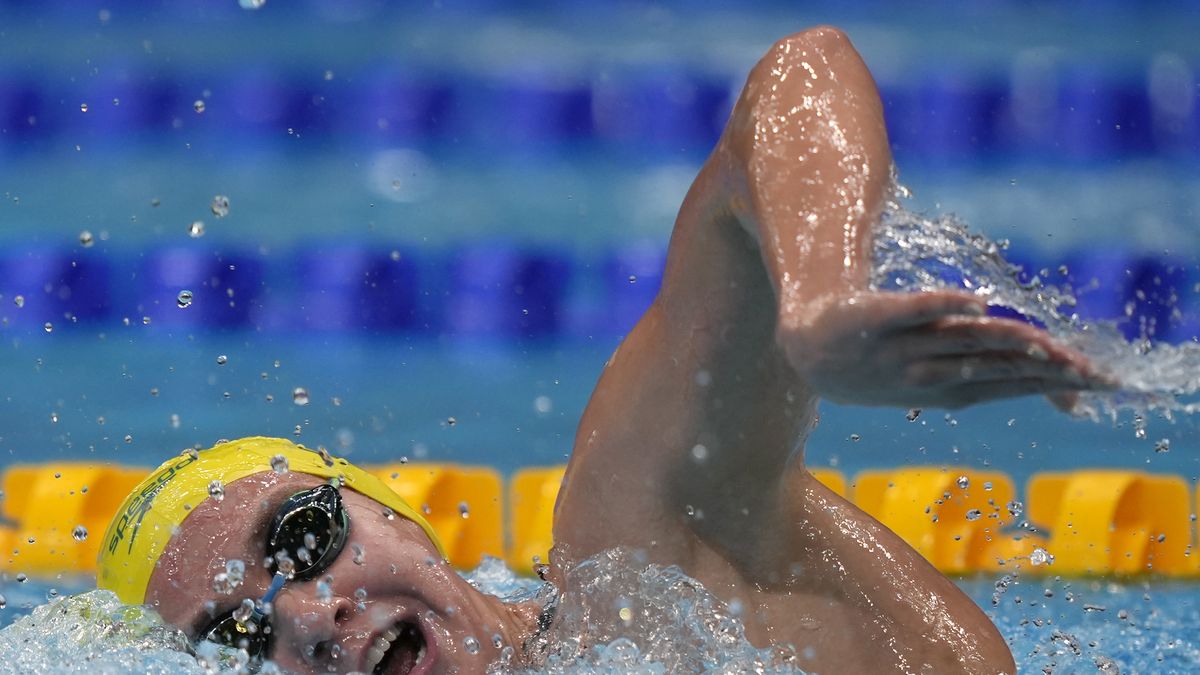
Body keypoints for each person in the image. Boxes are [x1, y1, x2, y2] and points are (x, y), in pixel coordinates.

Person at [97, 26, 1109, 674]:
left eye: (302, 539)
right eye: (238, 639)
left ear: (386, 507)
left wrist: (822, 302)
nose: (308, 619)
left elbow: (800, 75)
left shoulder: (643, 574)